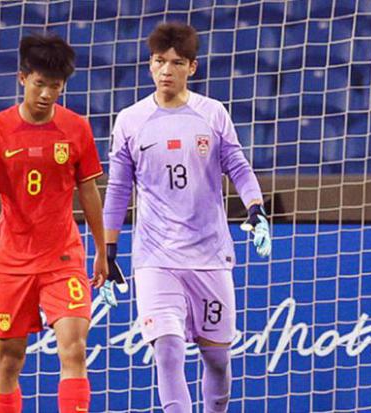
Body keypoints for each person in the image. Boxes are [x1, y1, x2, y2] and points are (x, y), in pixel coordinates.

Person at [102, 22, 272, 413]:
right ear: (150, 65)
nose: (166, 70)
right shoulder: (130, 120)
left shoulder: (212, 114)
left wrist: (256, 207)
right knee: (167, 350)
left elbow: (238, 165)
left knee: (217, 359)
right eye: (159, 61)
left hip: (209, 255)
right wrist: (108, 251)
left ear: (191, 68)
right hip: (155, 258)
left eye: (176, 63)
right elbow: (118, 189)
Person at [0, 33, 108, 413]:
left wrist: (101, 249)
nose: (46, 94)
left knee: (74, 349)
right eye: (39, 84)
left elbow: (89, 192)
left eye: (55, 86)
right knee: (9, 359)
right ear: (22, 78)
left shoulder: (77, 128)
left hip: (62, 257)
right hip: (11, 259)